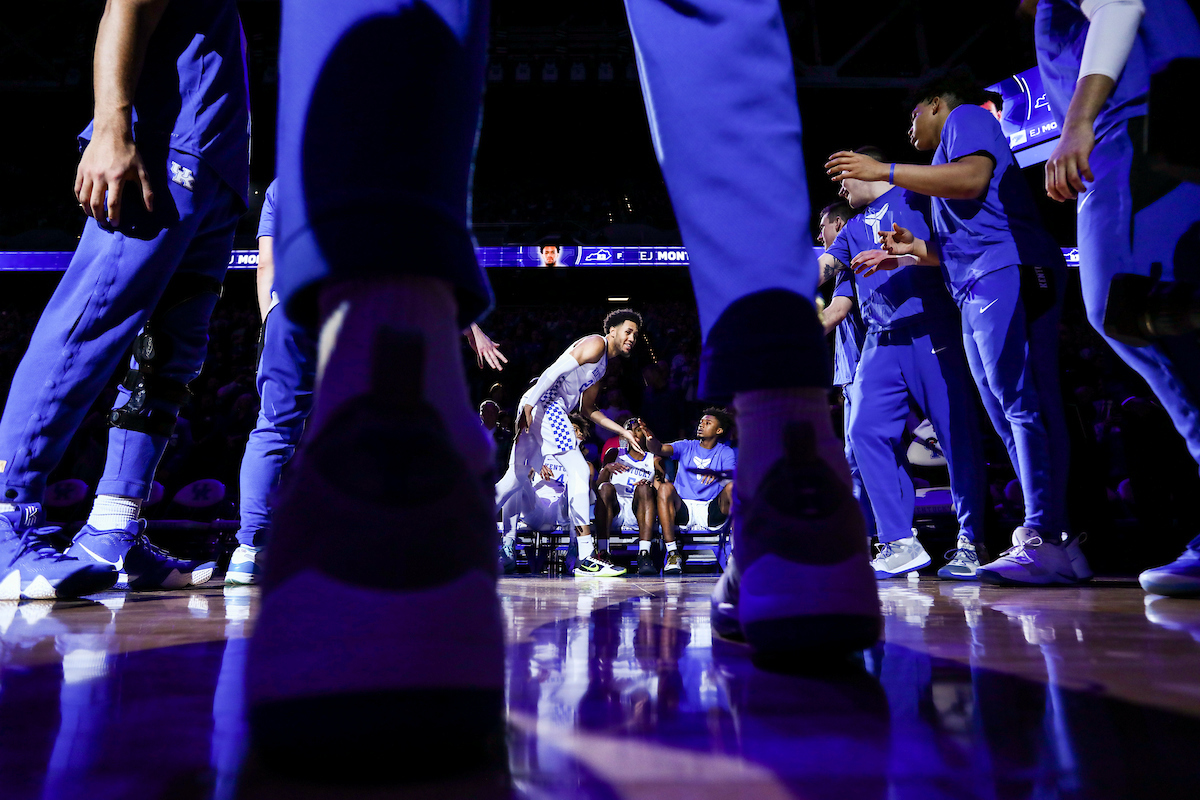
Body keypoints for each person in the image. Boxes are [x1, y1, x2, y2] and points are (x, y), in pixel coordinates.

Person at [247, 0, 881, 785]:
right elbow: (547, 396)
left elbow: (580, 406)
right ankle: (796, 481)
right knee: (709, 6)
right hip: (539, 426)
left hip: (536, 425)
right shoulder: (586, 350)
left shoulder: (610, 364)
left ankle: (384, 452)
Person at [0, 0, 249, 599]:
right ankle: (6, 518)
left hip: (214, 162)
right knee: (93, 321)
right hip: (165, 145)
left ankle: (112, 526)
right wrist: (113, 127)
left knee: (170, 356)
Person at [826, 70, 1089, 586]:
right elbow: (958, 243)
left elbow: (971, 180)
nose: (909, 129)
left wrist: (886, 169)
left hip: (1006, 272)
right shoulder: (935, 169)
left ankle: (1046, 534)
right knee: (1006, 407)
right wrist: (913, 251)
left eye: (913, 115)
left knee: (1018, 404)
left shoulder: (964, 120)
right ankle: (1058, 535)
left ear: (934, 104)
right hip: (976, 281)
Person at [230, 180, 508, 586]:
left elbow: (264, 264)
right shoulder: (370, 169)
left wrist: (271, 321)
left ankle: (247, 552)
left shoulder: (281, 184)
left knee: (272, 429)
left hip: (285, 311)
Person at [1029, 0, 1200, 596]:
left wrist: (1078, 121)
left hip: (1138, 127)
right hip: (1170, 118)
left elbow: (1121, 3)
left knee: (1132, 310)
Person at [823, 147, 989, 580]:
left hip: (930, 329)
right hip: (880, 341)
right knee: (862, 432)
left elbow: (947, 247)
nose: (840, 186)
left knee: (956, 435)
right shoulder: (853, 227)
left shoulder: (915, 195)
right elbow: (825, 267)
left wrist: (909, 253)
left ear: (865, 166)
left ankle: (972, 540)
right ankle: (900, 541)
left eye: (844, 175)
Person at [493, 309, 644, 578]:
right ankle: (586, 556)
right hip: (546, 403)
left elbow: (588, 409)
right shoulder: (597, 343)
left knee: (514, 480)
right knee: (578, 469)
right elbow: (554, 371)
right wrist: (530, 402)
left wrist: (623, 430)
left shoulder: (602, 367)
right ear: (612, 331)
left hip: (539, 404)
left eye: (636, 334)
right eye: (628, 331)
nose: (632, 337)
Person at [816, 198, 877, 542]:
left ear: (839, 225)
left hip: (862, 375)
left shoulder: (847, 266)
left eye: (822, 227)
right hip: (853, 378)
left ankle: (869, 539)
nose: (820, 235)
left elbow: (836, 312)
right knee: (856, 460)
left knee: (858, 460)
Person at [643, 410, 737, 575]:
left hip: (711, 509)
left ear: (719, 431)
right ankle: (673, 553)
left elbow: (731, 476)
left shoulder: (725, 452)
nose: (701, 425)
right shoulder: (686, 445)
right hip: (683, 508)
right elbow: (659, 448)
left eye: (707, 423)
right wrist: (650, 440)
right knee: (665, 488)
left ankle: (736, 553)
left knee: (733, 488)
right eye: (701, 422)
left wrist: (718, 475)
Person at [594, 418, 665, 576]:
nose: (633, 432)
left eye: (637, 429)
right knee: (605, 488)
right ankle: (603, 553)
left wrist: (650, 485)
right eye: (629, 429)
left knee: (644, 488)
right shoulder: (613, 454)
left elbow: (662, 491)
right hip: (614, 509)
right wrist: (606, 470)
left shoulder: (654, 460)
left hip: (640, 509)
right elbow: (595, 488)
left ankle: (644, 554)